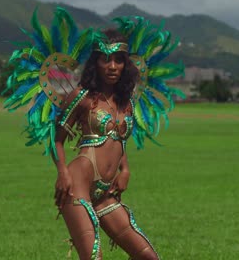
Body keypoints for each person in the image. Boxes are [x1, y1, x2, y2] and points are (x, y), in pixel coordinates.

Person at [53, 29, 160, 260]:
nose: (112, 66)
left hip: (105, 193)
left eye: (119, 60)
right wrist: (62, 172)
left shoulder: (127, 100)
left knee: (149, 257)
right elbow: (56, 139)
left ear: (125, 65)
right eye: (105, 59)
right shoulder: (82, 97)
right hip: (77, 185)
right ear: (95, 63)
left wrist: (125, 168)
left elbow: (119, 139)